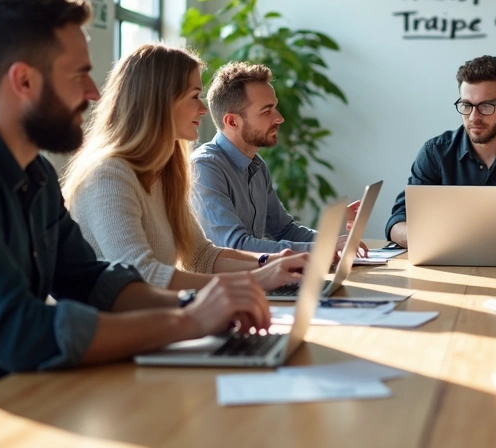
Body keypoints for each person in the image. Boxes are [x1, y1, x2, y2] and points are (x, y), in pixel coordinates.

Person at [0, 0, 269, 407]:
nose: (94, 93)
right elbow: (20, 331)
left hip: (10, 393)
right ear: (24, 80)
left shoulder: (35, 172)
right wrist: (189, 320)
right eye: (79, 74)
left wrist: (197, 306)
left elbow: (92, 280)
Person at [62, 45, 310, 291]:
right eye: (194, 96)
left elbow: (201, 256)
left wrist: (274, 262)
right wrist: (255, 279)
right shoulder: (108, 176)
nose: (203, 109)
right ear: (159, 101)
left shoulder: (165, 172)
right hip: (118, 328)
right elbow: (143, 276)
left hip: (158, 319)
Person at [385, 55, 496, 251]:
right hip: (447, 262)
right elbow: (398, 221)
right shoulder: (434, 152)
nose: (473, 117)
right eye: (466, 105)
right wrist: (444, 242)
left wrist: (480, 244)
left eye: (486, 106)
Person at [191, 62, 360, 257]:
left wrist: (334, 242)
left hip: (255, 280)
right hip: (222, 286)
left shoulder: (257, 166)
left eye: (275, 108)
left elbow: (285, 230)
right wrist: (322, 249)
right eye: (267, 111)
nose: (279, 118)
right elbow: (235, 246)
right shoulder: (204, 167)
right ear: (232, 121)